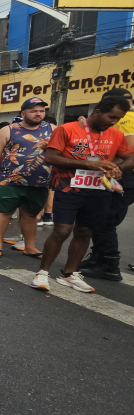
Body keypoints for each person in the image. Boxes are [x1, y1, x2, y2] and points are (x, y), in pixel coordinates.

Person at [31, 94, 134, 293]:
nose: (114, 123)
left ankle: (69, 274)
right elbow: (51, 157)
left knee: (85, 231)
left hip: (99, 190)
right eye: (111, 117)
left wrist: (119, 168)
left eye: (118, 119)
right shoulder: (66, 129)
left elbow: (130, 157)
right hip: (69, 187)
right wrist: (87, 163)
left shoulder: (115, 135)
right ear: (97, 112)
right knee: (62, 230)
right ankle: (42, 272)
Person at [0, 98, 53, 258]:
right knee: (4, 211)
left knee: (30, 214)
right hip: (10, 179)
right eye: (34, 110)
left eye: (41, 111)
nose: (38, 113)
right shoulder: (8, 130)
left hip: (39, 181)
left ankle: (29, 247)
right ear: (23, 113)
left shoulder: (52, 129)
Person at [78, 88, 134, 280]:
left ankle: (108, 264)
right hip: (120, 174)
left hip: (123, 175)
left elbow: (129, 150)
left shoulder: (124, 120)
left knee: (105, 219)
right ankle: (99, 257)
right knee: (101, 217)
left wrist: (115, 169)